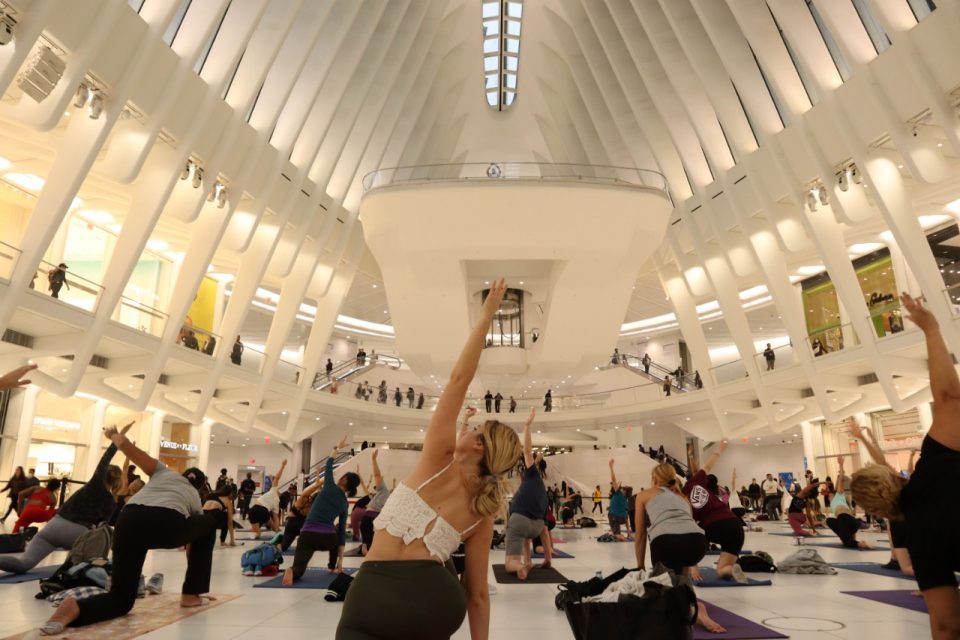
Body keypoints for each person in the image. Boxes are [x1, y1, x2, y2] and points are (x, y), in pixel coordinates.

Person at [337, 279, 522, 639]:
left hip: (373, 595)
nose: (466, 431)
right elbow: (478, 594)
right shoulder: (480, 514)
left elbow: (458, 380)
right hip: (434, 601)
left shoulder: (438, 460)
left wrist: (485, 318)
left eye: (475, 429)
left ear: (480, 447)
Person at [849, 298, 960, 640]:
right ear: (892, 477)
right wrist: (931, 329)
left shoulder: (919, 540)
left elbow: (946, 625)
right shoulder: (936, 464)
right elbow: (948, 397)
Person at [40, 426, 217, 633]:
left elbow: (127, 447)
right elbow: (193, 543)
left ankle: (76, 607)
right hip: (166, 521)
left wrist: (113, 435)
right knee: (209, 522)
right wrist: (194, 581)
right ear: (200, 486)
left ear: (181, 474)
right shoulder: (194, 496)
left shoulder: (162, 471)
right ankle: (191, 596)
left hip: (128, 520)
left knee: (121, 599)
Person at [0, 423, 130, 575]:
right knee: (91, 552)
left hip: (53, 526)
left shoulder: (94, 484)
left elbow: (105, 458)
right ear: (116, 481)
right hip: (76, 533)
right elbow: (101, 528)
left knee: (23, 563)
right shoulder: (111, 502)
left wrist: (116, 438)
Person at [634, 463, 725, 634]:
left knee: (664, 585)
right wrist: (692, 565)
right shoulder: (683, 497)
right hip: (697, 542)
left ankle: (692, 611)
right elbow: (687, 527)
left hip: (665, 541)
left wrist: (640, 565)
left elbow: (639, 535)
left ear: (654, 478)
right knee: (681, 577)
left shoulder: (644, 495)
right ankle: (694, 607)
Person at [282, 438, 360, 585]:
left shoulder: (329, 485)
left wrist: (337, 446)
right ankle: (332, 566)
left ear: (344, 481)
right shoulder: (344, 504)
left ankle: (293, 571)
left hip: (308, 535)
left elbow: (329, 464)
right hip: (327, 539)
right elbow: (342, 534)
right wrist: (340, 562)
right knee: (336, 535)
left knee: (300, 567)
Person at [683, 442, 746, 583]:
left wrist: (693, 566)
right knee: (722, 570)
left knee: (693, 534)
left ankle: (724, 568)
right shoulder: (695, 483)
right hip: (735, 525)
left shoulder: (680, 500)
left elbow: (689, 533)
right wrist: (720, 449)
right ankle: (731, 569)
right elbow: (707, 466)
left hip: (714, 525)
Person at [504, 409, 552, 580]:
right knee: (525, 535)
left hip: (519, 522)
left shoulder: (531, 475)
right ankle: (530, 560)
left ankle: (520, 565)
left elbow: (527, 451)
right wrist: (548, 558)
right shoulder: (543, 494)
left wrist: (527, 426)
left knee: (510, 561)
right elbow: (545, 532)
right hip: (537, 527)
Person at [824, 456, 869, 549]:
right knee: (829, 521)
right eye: (829, 496)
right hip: (848, 522)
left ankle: (858, 542)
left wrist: (840, 464)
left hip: (846, 518)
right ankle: (850, 537)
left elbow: (841, 479)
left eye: (830, 495)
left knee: (847, 542)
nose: (829, 496)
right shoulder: (833, 505)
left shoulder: (839, 495)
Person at [359, 448, 392, 555]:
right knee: (370, 541)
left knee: (368, 541)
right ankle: (367, 548)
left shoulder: (384, 490)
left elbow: (377, 475)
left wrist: (373, 460)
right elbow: (377, 476)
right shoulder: (387, 494)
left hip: (371, 517)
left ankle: (367, 548)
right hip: (375, 518)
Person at [249, 460, 286, 537]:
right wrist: (276, 529)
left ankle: (258, 532)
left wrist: (283, 466)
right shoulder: (276, 503)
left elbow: (277, 478)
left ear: (279, 494)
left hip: (253, 509)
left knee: (257, 533)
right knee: (273, 526)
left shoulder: (274, 491)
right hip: (263, 511)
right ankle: (275, 529)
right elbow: (276, 519)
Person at [607, 461, 630, 541]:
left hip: (614, 517)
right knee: (623, 517)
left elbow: (613, 480)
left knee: (616, 535)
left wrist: (611, 467)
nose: (621, 488)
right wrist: (629, 533)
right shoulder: (625, 499)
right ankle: (624, 534)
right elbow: (626, 517)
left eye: (623, 488)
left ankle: (620, 536)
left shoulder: (619, 493)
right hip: (622, 519)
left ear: (624, 492)